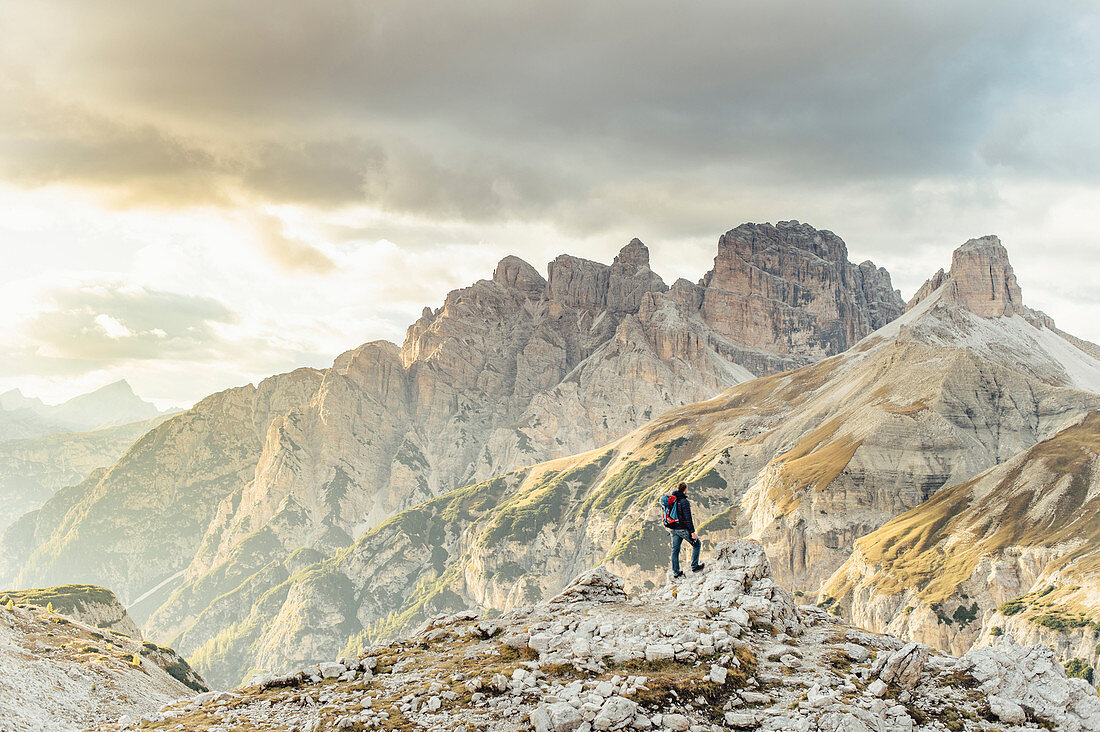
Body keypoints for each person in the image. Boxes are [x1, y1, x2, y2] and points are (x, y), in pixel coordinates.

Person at [667, 481, 704, 578]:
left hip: (673, 529)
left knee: (675, 550)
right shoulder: (684, 501)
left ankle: (676, 573)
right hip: (682, 529)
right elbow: (688, 518)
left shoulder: (672, 500)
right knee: (697, 544)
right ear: (685, 490)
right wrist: (692, 532)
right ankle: (694, 566)